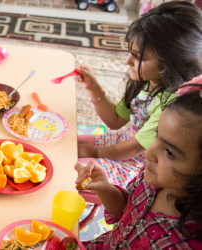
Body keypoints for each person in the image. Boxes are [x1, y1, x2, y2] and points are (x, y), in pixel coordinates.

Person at [75, 1, 202, 187]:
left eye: (138, 57)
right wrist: (93, 87)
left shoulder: (171, 104)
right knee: (66, 143)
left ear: (169, 64)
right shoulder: (145, 80)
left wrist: (95, 152)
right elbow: (116, 120)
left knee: (73, 169)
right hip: (123, 143)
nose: (128, 61)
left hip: (139, 165)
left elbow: (134, 149)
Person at [75, 80, 202, 249]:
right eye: (157, 136)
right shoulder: (153, 178)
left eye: (169, 152)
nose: (148, 152)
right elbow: (125, 211)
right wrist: (105, 188)